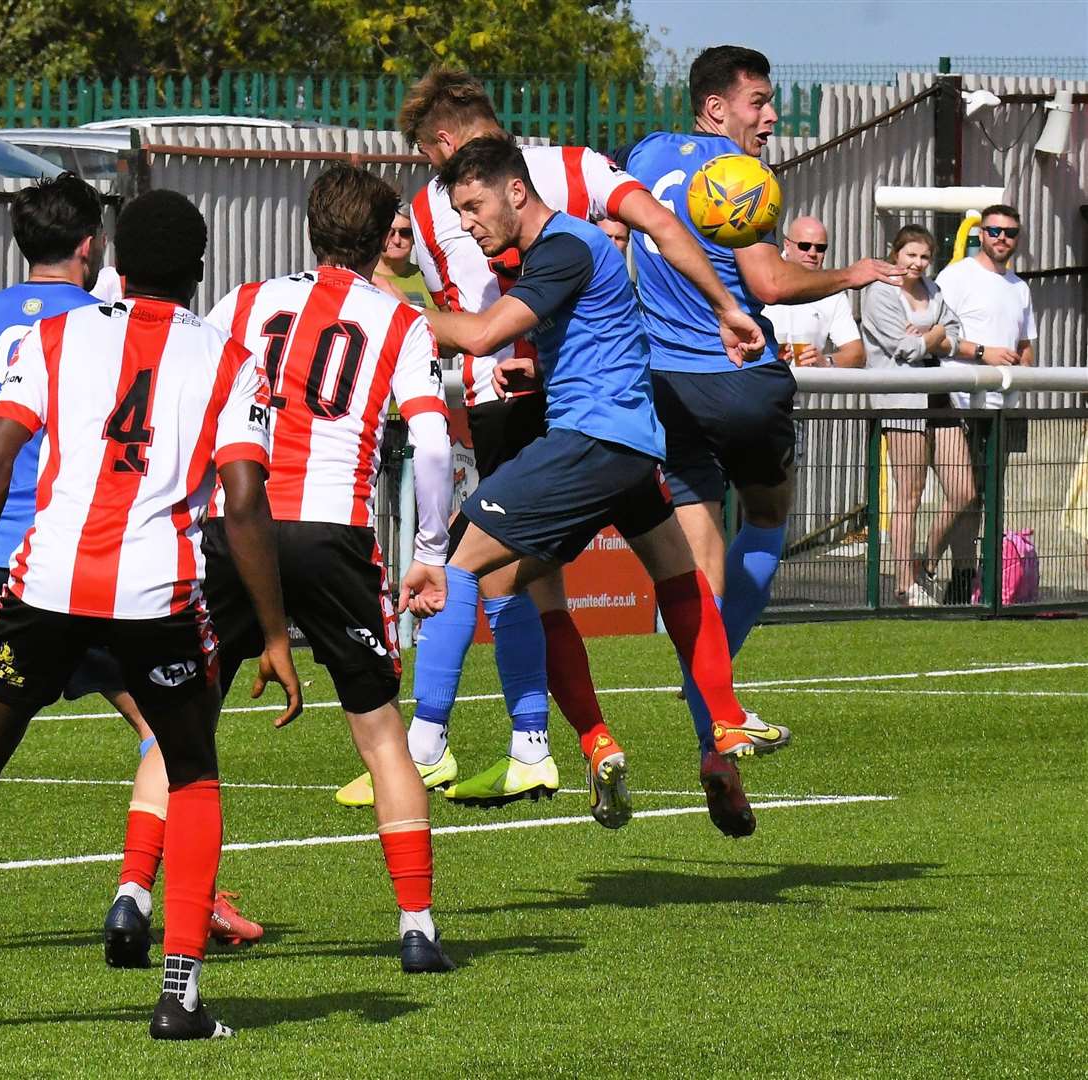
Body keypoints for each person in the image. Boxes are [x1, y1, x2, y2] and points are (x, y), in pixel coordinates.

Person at [0, 188, 299, 1041]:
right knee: (190, 772)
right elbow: (245, 500)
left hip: (43, 590)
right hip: (158, 598)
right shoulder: (227, 359)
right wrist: (269, 630)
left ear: (116, 260)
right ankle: (178, 995)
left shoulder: (54, 337)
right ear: (196, 271)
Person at [360, 66, 764, 824]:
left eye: (470, 204)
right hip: (610, 421)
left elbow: (478, 326)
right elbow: (663, 228)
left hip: (551, 421)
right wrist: (722, 307)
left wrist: (387, 308)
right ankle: (710, 731)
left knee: (476, 570)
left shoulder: (498, 215)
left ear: (445, 145)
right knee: (673, 575)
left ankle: (437, 742)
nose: (468, 222)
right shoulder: (579, 166)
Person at [196, 163, 456, 972]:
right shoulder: (402, 321)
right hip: (331, 531)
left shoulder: (241, 303)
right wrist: (430, 553)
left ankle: (136, 903)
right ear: (384, 239)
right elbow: (436, 443)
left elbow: (189, 406)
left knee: (185, 722)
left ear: (310, 224)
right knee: (381, 736)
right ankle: (416, 927)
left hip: (232, 524)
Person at [621, 45, 902, 756]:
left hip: (667, 387)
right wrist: (850, 274)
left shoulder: (650, 154)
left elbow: (615, 224)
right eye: (759, 102)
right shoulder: (739, 175)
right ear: (718, 109)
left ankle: (712, 719)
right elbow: (770, 283)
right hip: (741, 382)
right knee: (770, 517)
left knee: (700, 565)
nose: (772, 116)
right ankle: (713, 700)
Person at [933, 203, 1037, 604]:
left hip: (1003, 405)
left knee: (987, 494)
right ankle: (928, 566)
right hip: (958, 402)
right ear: (981, 234)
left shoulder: (1020, 287)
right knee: (964, 494)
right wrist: (984, 355)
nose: (1002, 239)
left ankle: (968, 576)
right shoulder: (956, 277)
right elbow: (936, 336)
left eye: (1010, 233)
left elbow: (1025, 346)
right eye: (994, 231)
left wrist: (1022, 368)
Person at [860, 225, 968, 607]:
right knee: (909, 495)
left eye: (924, 257)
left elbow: (955, 333)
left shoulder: (934, 290)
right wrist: (933, 337)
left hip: (939, 396)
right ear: (896, 253)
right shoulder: (879, 293)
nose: (918, 263)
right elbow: (901, 348)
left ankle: (928, 559)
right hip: (902, 400)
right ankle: (905, 584)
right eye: (911, 255)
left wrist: (934, 336)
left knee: (964, 490)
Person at [761, 217, 864, 368]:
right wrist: (765, 356)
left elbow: (856, 354)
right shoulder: (763, 277)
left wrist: (826, 361)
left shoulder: (832, 292)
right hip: (759, 381)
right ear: (787, 246)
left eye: (820, 248)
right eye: (804, 246)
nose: (813, 253)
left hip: (807, 388)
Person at [371, 207, 437, 309]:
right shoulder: (364, 277)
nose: (397, 240)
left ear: (414, 238)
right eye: (390, 233)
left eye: (405, 233)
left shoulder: (429, 277)